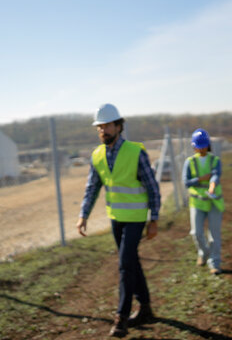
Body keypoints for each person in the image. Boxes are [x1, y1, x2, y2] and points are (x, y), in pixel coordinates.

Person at [77, 103, 161, 338]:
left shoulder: (136, 152)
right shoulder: (97, 155)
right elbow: (92, 188)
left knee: (124, 265)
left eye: (107, 125)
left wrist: (153, 220)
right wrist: (83, 215)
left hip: (135, 219)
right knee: (131, 263)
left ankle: (121, 317)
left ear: (118, 126)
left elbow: (152, 188)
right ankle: (145, 308)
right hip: (116, 219)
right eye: (99, 126)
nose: (103, 130)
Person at [182, 128, 225, 275]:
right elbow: (186, 182)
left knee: (214, 235)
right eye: (198, 146)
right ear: (193, 146)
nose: (201, 149)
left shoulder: (215, 160)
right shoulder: (189, 162)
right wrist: (200, 179)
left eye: (203, 146)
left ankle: (215, 263)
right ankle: (203, 253)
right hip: (197, 202)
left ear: (208, 145)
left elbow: (215, 175)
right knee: (196, 233)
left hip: (213, 201)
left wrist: (212, 185)